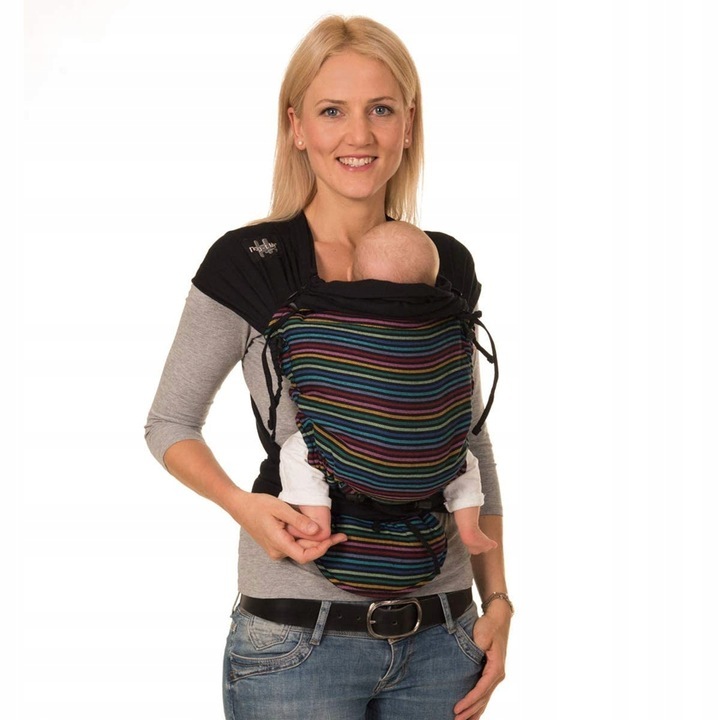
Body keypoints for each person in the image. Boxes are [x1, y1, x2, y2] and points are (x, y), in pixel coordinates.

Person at [145, 15, 512, 720]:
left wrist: (497, 601)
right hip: (296, 641)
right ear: (297, 127)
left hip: (443, 635)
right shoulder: (247, 263)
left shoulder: (444, 265)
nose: (359, 135)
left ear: (409, 124)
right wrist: (243, 506)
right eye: (332, 111)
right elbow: (169, 423)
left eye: (382, 109)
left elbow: (468, 439)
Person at [276, 220, 498, 594]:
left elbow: (291, 342)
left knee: (298, 450)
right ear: (434, 284)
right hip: (432, 465)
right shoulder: (450, 327)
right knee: (465, 459)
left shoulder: (316, 323)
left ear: (350, 276)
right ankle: (468, 526)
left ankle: (316, 520)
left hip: (351, 465)